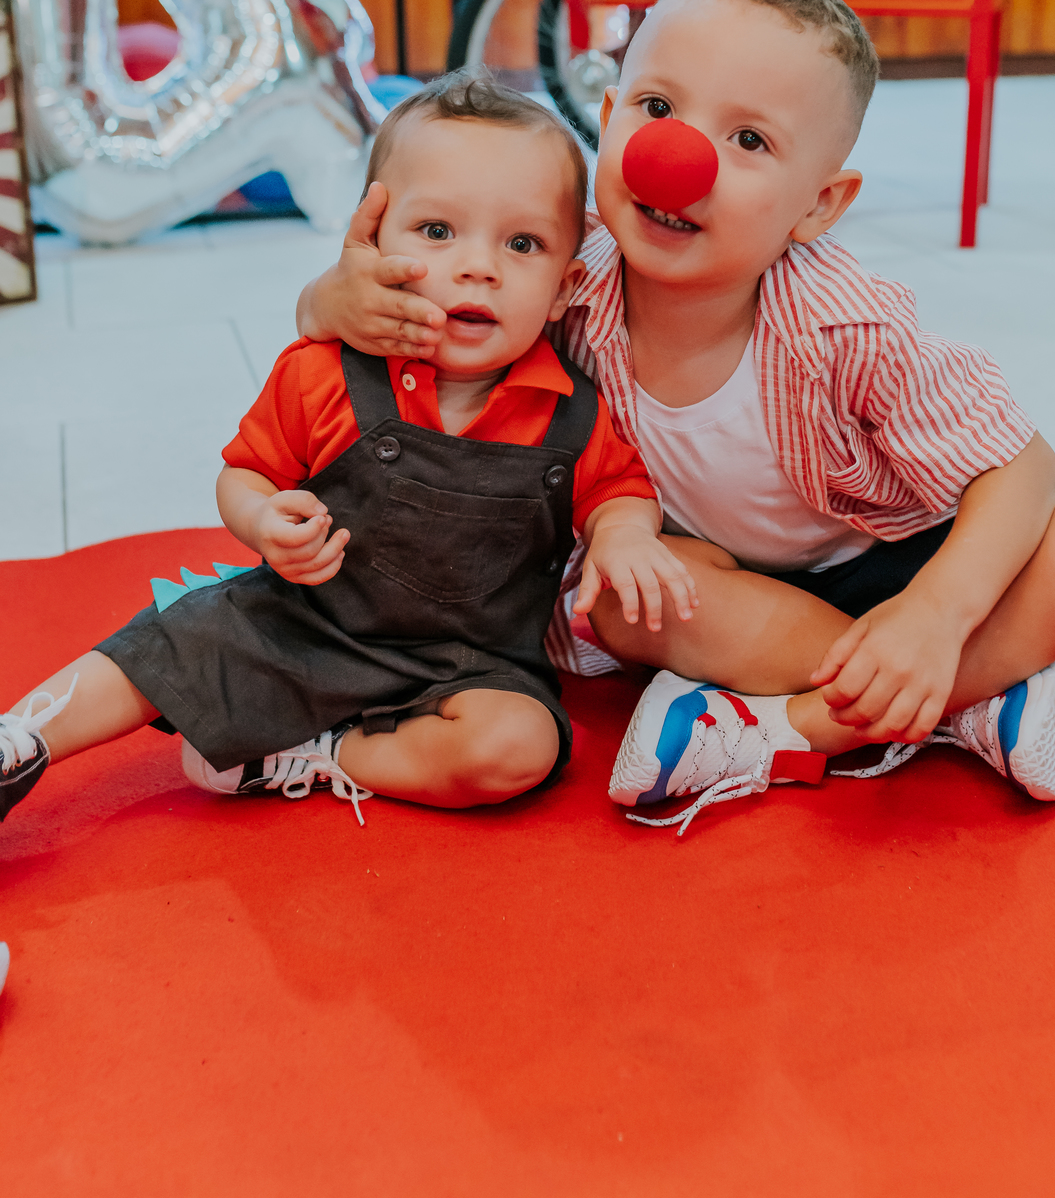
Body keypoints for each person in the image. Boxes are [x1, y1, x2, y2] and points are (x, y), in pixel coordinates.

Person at [291, 0, 1055, 832]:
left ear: (818, 205)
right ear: (610, 111)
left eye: (750, 141)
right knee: (623, 598)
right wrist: (328, 301)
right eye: (658, 108)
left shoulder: (842, 323)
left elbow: (1021, 465)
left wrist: (934, 617)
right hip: (733, 591)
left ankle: (788, 726)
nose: (678, 158)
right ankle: (975, 698)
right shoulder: (557, 282)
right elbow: (423, 315)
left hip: (900, 562)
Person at [0, 75, 690, 829]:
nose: (477, 266)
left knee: (520, 750)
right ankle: (23, 736)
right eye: (436, 232)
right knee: (163, 650)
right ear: (370, 244)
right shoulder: (324, 371)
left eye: (522, 243)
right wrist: (263, 523)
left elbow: (619, 490)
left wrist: (622, 535)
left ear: (564, 289)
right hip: (301, 624)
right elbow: (245, 473)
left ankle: (323, 753)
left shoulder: (572, 412)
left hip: (464, 670)